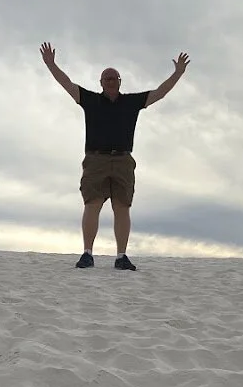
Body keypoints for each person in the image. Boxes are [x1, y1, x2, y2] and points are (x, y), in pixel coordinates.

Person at [39, 42, 190, 270]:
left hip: (123, 161)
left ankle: (121, 256)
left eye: (114, 78)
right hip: (95, 160)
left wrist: (177, 73)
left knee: (122, 206)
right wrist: (51, 65)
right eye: (107, 78)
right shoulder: (90, 100)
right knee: (92, 204)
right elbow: (67, 84)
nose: (110, 81)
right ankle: (87, 254)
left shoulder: (131, 103)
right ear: (100, 82)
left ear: (120, 82)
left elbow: (159, 93)